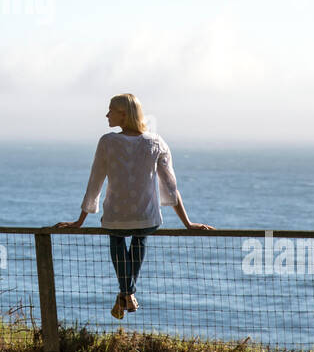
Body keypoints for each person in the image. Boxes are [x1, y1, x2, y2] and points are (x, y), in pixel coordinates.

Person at [55, 93, 214, 319]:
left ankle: (126, 293)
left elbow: (95, 181)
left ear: (123, 114)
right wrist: (187, 223)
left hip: (115, 217)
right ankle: (127, 294)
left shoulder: (108, 142)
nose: (106, 114)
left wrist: (80, 220)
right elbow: (171, 187)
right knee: (141, 238)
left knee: (117, 239)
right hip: (146, 217)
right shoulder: (156, 142)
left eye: (111, 110)